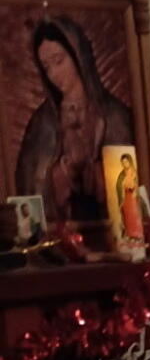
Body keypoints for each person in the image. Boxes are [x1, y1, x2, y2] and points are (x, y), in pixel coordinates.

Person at [14, 16, 133, 225]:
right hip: (61, 237)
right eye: (46, 67)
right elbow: (29, 188)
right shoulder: (43, 123)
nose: (54, 74)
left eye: (59, 61)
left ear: (78, 56)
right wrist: (58, 176)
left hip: (108, 231)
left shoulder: (114, 114)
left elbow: (128, 184)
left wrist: (99, 175)